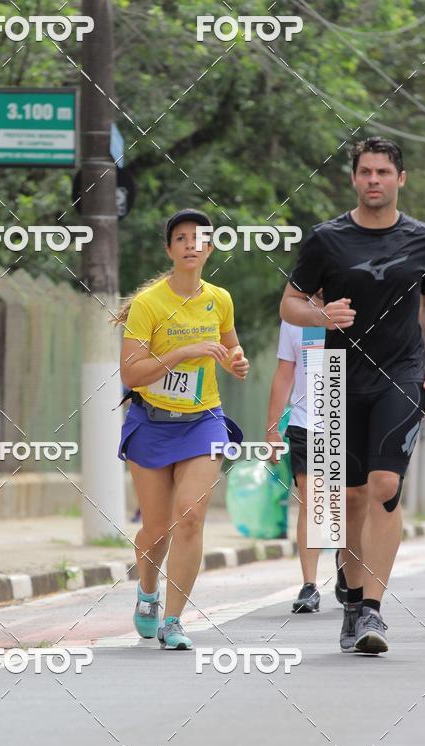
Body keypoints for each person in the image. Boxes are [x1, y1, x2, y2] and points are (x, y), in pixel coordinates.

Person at [281, 136, 425, 654]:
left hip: (400, 373)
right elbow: (290, 303)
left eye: (383, 172)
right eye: (365, 172)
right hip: (335, 375)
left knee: (383, 486)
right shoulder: (326, 240)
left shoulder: (424, 240)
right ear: (354, 179)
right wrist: (318, 315)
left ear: (401, 180)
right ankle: (351, 597)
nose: (374, 180)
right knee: (344, 499)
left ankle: (371, 609)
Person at [115, 209, 249, 650]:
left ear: (211, 248)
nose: (192, 244)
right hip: (152, 422)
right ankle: (148, 593)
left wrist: (236, 361)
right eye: (182, 238)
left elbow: (230, 346)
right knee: (156, 529)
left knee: (189, 516)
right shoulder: (149, 304)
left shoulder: (221, 299)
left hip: (203, 420)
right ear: (169, 248)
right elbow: (132, 374)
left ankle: (174, 620)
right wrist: (184, 351)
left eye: (201, 239)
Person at [265, 320, 339, 613]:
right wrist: (272, 429)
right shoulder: (296, 318)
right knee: (312, 499)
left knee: (343, 501)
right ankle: (310, 585)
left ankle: (348, 574)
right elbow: (284, 373)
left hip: (347, 419)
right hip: (304, 423)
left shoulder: (358, 304)